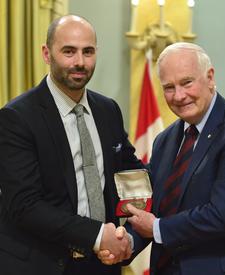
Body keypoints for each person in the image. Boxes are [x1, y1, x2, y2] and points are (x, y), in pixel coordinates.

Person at [98, 42, 225, 274]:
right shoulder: (165, 140)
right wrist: (126, 243)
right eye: (169, 87)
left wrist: (157, 228)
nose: (179, 96)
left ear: (210, 77)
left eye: (187, 83)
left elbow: (224, 216)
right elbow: (154, 208)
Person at [0, 15, 141, 275]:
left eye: (88, 52)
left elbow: (132, 176)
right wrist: (98, 234)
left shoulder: (108, 110)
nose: (79, 62)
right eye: (69, 51)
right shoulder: (17, 117)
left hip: (103, 263)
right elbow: (25, 205)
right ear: (46, 53)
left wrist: (130, 237)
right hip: (43, 265)